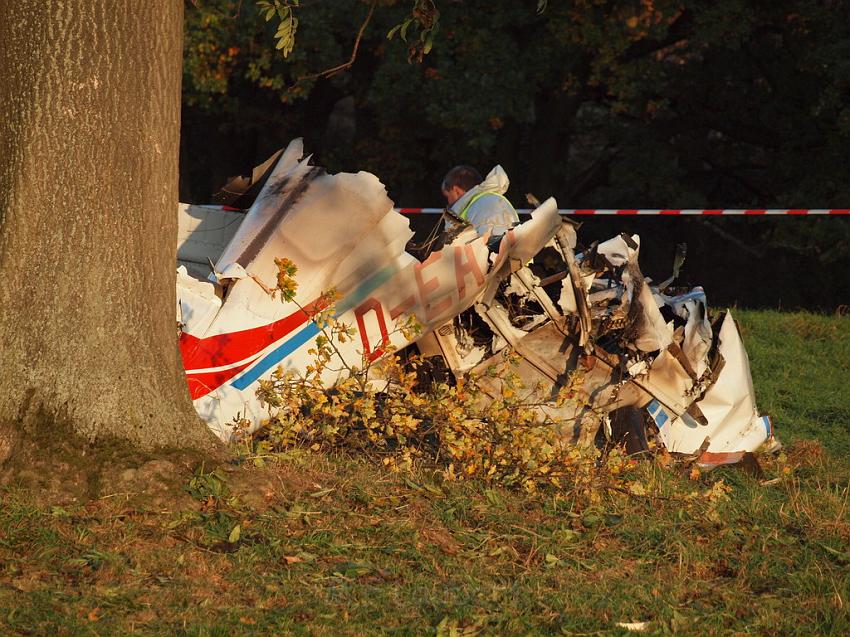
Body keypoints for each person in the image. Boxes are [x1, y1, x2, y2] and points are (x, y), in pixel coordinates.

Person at [441, 164, 519, 238]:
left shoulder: (485, 205)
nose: (448, 202)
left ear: (456, 190)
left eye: (447, 196)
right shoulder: (489, 201)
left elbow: (491, 247)